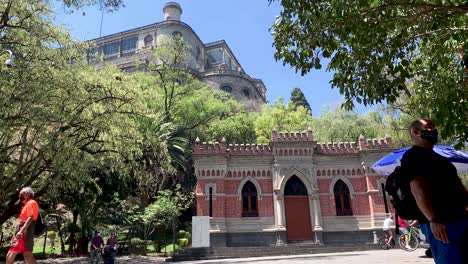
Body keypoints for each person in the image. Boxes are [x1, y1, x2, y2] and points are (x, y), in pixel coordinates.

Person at [401, 119, 468, 264]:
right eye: (428, 127)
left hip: (462, 218)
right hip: (442, 224)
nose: (433, 131)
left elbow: (458, 187)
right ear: (416, 132)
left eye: (433, 128)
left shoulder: (442, 160)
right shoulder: (412, 157)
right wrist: (433, 219)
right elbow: (417, 189)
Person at [6, 187, 39, 264]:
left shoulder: (31, 203)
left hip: (24, 231)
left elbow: (30, 218)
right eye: (19, 194)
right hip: (24, 230)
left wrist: (21, 231)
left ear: (29, 194)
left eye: (22, 194)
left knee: (11, 253)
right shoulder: (26, 204)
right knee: (27, 255)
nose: (20, 196)